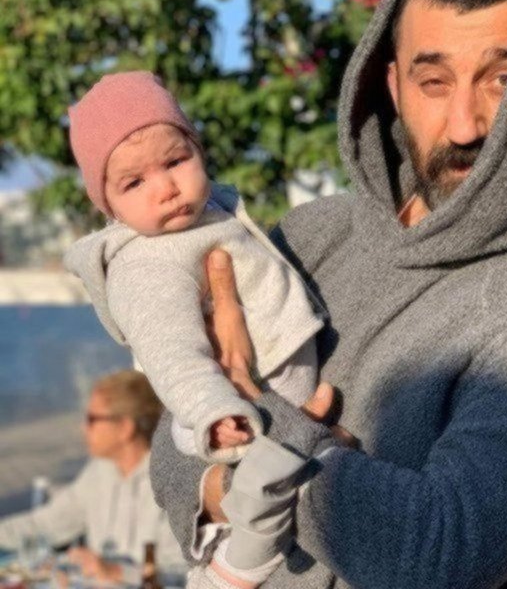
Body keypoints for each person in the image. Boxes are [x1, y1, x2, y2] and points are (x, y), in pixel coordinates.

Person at [150, 0, 507, 588]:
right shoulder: (310, 235)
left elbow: (431, 558)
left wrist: (245, 419)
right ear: (393, 87)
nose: (463, 125)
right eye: (433, 81)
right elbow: (170, 443)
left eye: (504, 80)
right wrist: (237, 482)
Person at [64, 71, 327, 588]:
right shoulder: (145, 264)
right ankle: (229, 570)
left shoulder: (211, 215)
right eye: (134, 183)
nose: (165, 188)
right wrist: (215, 411)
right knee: (263, 505)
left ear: (198, 150)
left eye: (175, 161)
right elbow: (172, 354)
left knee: (278, 488)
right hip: (226, 408)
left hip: (268, 397)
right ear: (108, 206)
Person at [0, 369, 185, 585]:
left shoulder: (172, 482)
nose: (83, 428)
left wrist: (118, 572)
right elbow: (45, 525)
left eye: (92, 419)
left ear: (125, 428)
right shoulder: (99, 472)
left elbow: (182, 573)